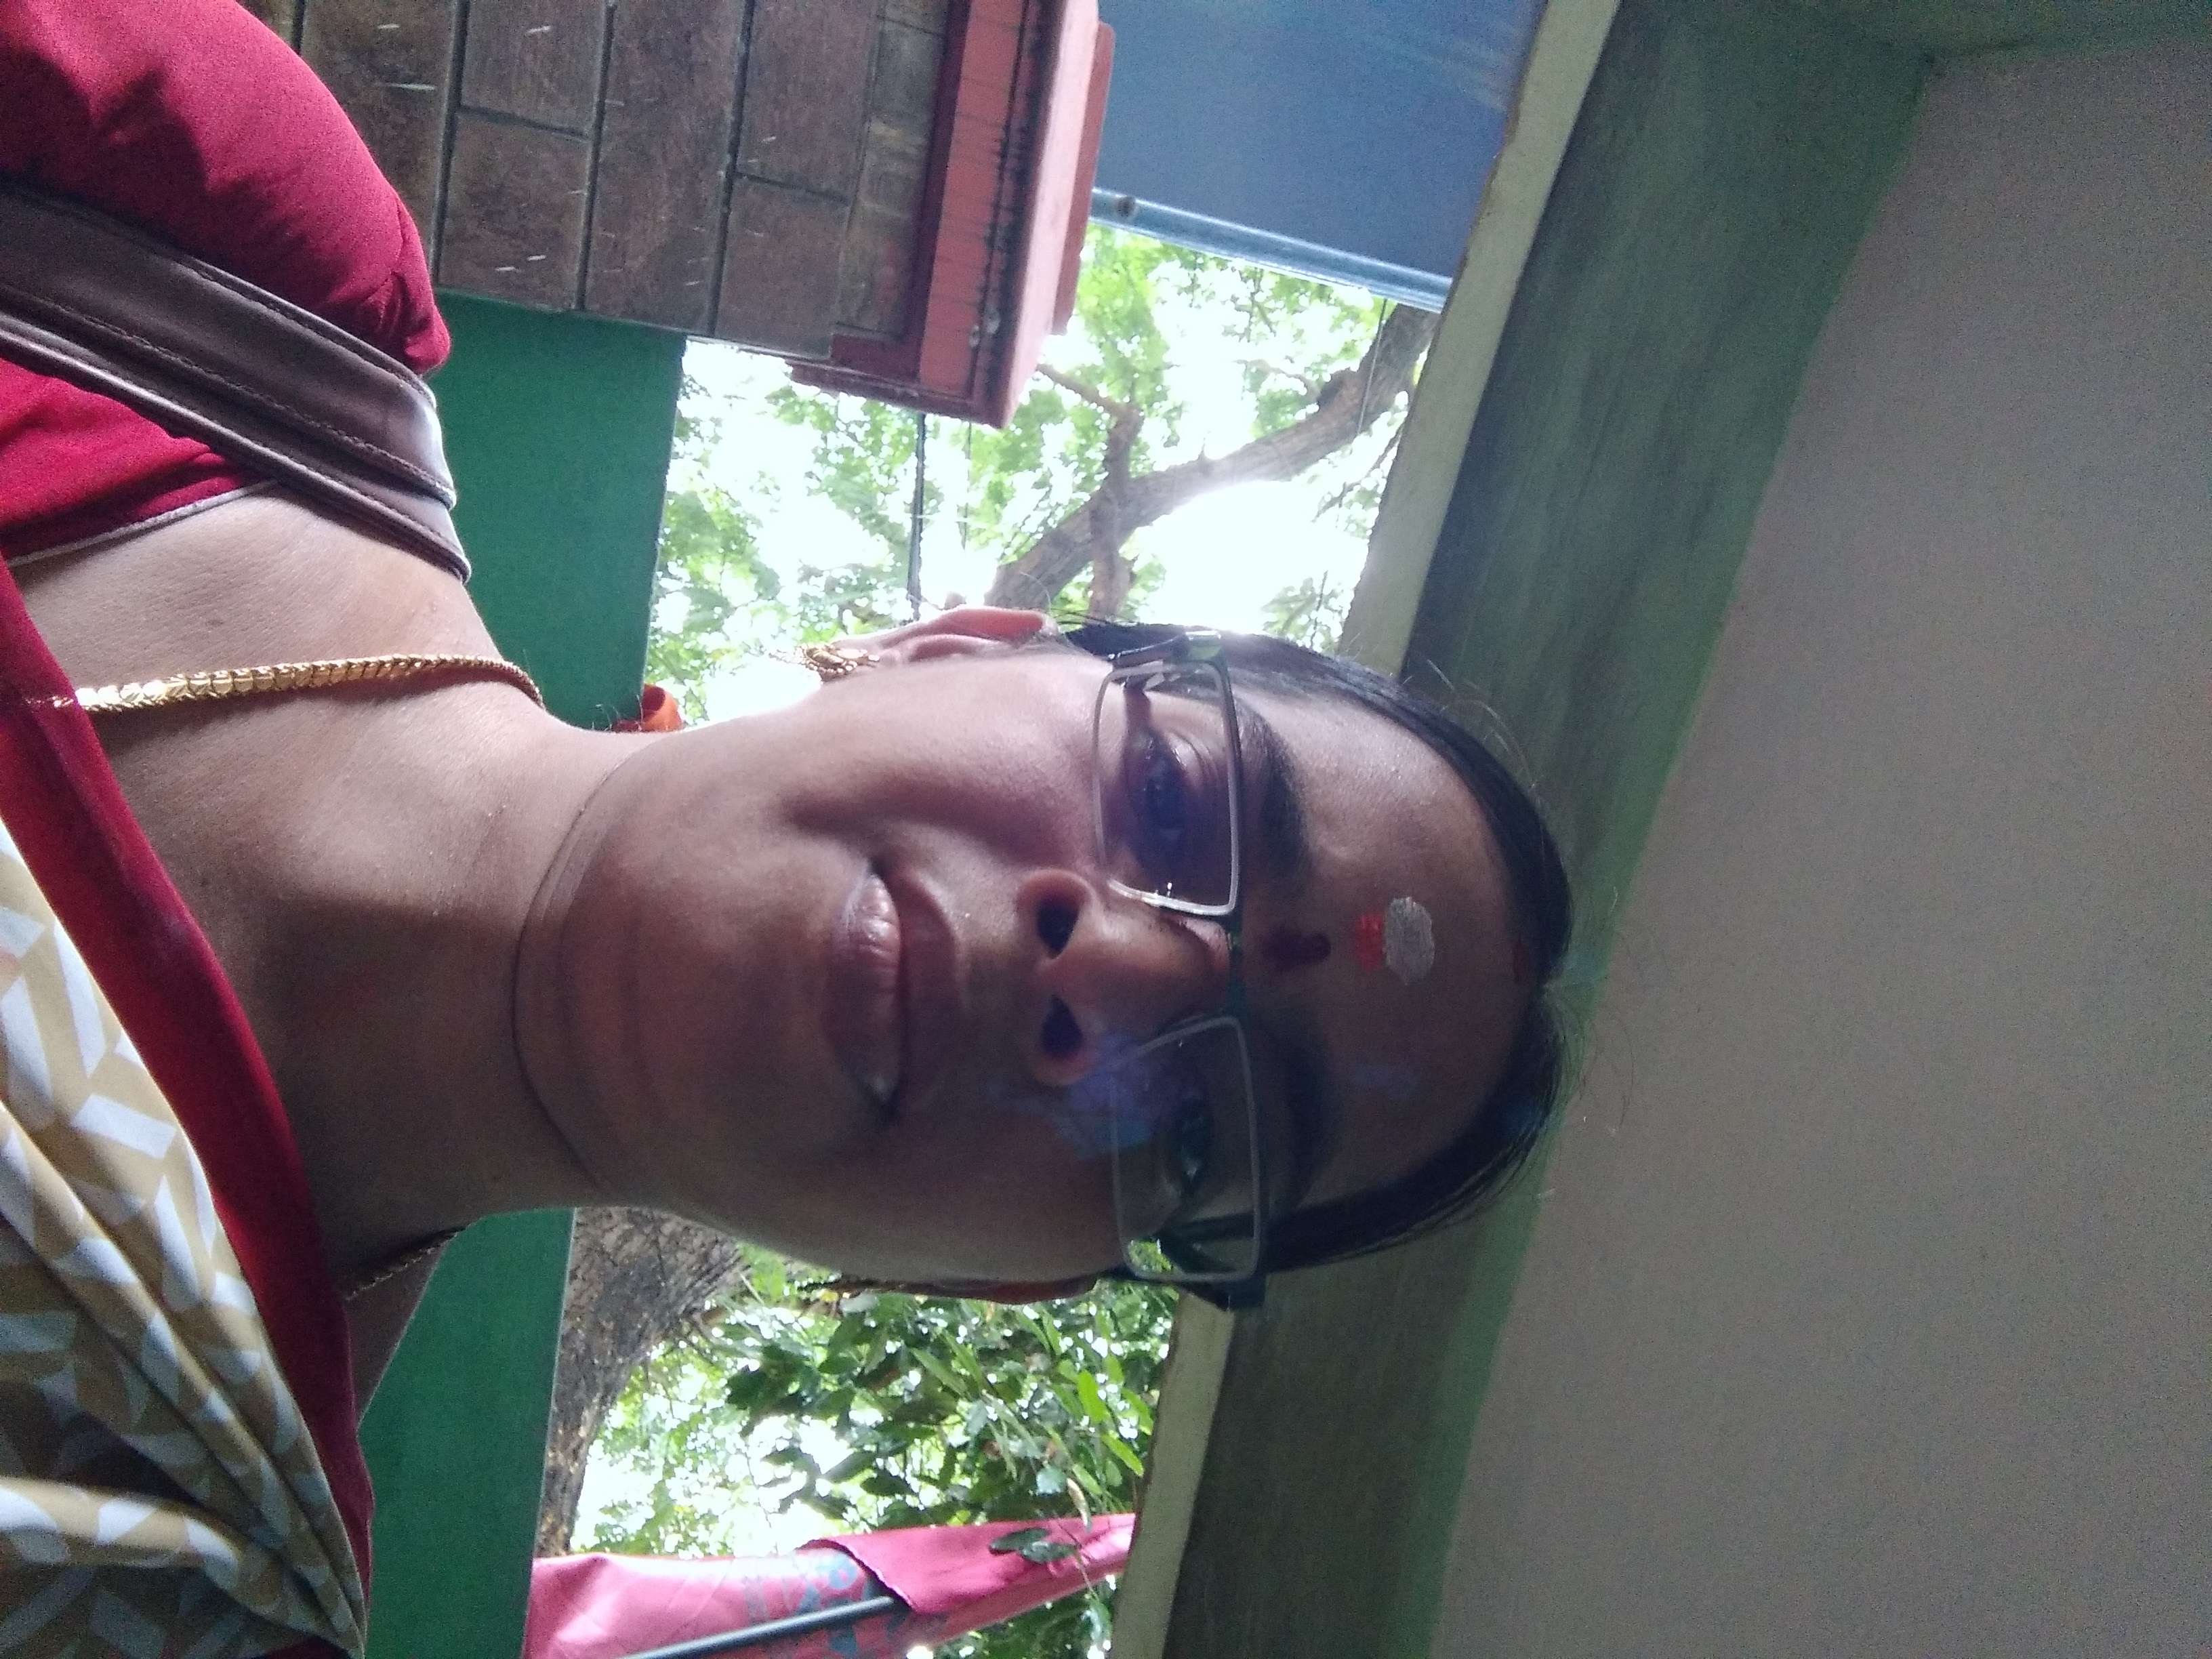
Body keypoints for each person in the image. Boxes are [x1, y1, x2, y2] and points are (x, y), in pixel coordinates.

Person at [0, 0, 1569, 1652]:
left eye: (1198, 1133)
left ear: (990, 1279)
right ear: (952, 643)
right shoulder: (203, 250)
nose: (1105, 976)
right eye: (1175, 799)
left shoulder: (163, 1576)